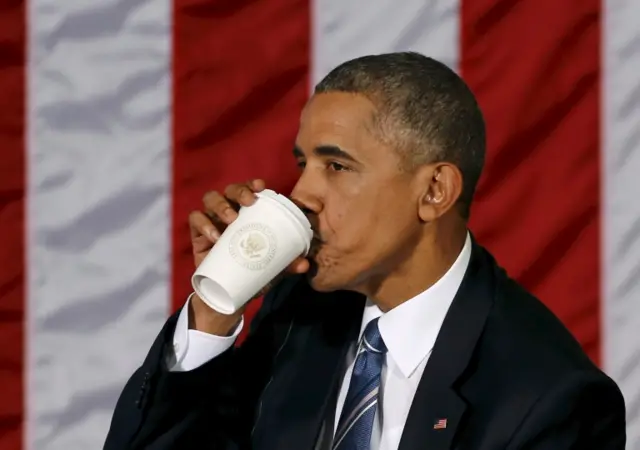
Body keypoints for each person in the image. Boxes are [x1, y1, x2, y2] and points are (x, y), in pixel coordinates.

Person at [103, 52, 626, 450]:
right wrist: (217, 307)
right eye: (303, 163)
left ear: (434, 191)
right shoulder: (293, 315)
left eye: (336, 166)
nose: (302, 194)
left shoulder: (551, 399)